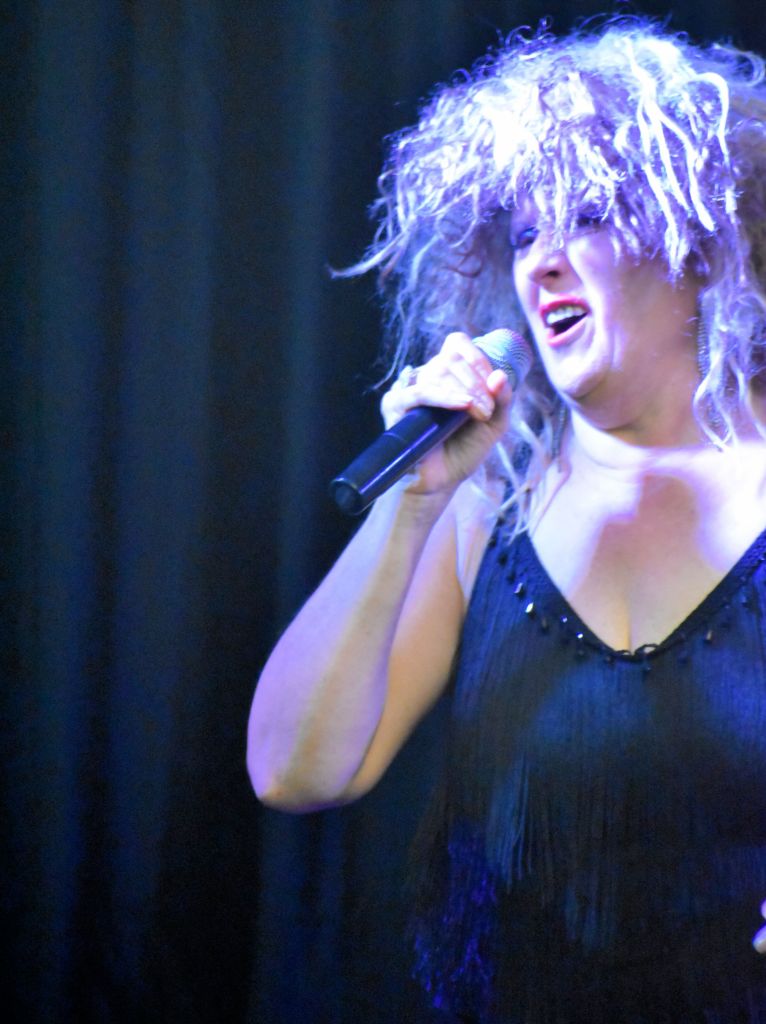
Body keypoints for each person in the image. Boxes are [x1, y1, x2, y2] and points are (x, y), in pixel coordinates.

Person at [248, 16, 766, 1022]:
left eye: (587, 217)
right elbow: (295, 769)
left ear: (696, 245)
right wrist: (412, 505)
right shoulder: (488, 501)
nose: (542, 264)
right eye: (524, 234)